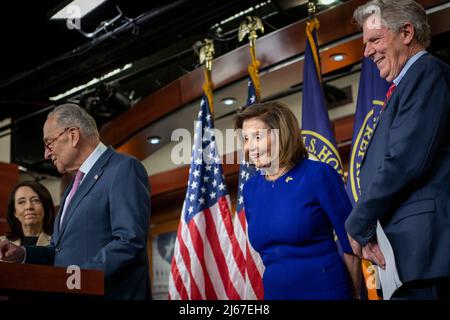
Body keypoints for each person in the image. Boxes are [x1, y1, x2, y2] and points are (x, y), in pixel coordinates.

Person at [345, 0, 450, 300]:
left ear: (406, 32)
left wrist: (357, 224)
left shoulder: (426, 73)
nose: (366, 52)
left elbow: (404, 161)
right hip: (411, 258)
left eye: (375, 40)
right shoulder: (406, 84)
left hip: (429, 255)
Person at [0, 103, 151, 300]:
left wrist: (74, 280)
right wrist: (23, 254)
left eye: (49, 142)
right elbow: (59, 250)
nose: (46, 154)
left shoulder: (123, 169)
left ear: (73, 135)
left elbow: (129, 241)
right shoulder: (73, 186)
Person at [235, 101, 361, 300]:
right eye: (246, 139)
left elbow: (351, 245)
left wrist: (354, 295)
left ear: (281, 135)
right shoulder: (250, 189)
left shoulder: (319, 175)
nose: (250, 147)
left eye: (257, 137)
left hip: (326, 291)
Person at [0, 181, 55, 246]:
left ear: (46, 207)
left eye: (35, 200)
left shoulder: (57, 241)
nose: (29, 207)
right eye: (21, 202)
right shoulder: (2, 243)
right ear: (14, 212)